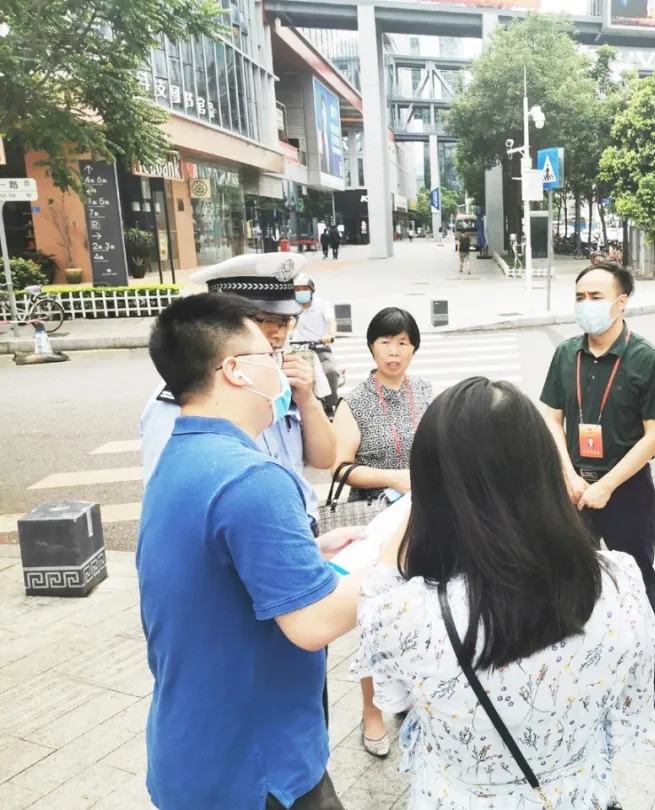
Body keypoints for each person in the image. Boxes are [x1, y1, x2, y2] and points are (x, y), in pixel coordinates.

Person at [355, 377, 655, 809]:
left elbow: (391, 678)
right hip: (580, 795)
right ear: (544, 467)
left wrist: (416, 506)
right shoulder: (619, 582)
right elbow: (628, 704)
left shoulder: (406, 615)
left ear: (433, 489)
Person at [137, 293, 371, 810]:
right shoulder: (252, 477)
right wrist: (394, 555)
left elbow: (213, 571)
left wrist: (309, 551)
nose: (280, 368)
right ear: (236, 371)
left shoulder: (182, 452)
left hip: (195, 750)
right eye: (269, 356)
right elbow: (313, 623)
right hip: (257, 769)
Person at [540, 261, 655, 727]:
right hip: (572, 488)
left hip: (626, 493)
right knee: (567, 582)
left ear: (622, 302)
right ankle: (573, 677)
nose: (586, 305)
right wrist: (571, 477)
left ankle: (648, 685)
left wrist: (606, 485)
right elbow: (551, 419)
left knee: (637, 588)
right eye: (580, 297)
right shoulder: (566, 354)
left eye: (596, 297)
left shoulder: (648, 359)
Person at [139, 253, 336, 535]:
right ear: (224, 326)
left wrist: (307, 399)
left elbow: (325, 459)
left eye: (285, 321)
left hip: (300, 529)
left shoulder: (283, 377)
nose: (279, 334)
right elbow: (172, 505)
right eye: (266, 320)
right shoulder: (187, 397)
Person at [333, 306, 433, 757]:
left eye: (403, 343)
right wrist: (395, 477)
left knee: (419, 615)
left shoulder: (425, 392)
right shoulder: (354, 401)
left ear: (414, 347)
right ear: (372, 347)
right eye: (385, 342)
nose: (394, 352)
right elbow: (340, 467)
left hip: (422, 519)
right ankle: (371, 713)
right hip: (376, 522)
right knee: (374, 619)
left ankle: (409, 699)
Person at [292, 273, 340, 413]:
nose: (301, 291)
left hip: (320, 348)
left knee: (330, 370)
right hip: (298, 350)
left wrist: (330, 335)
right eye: (297, 289)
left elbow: (331, 321)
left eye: (304, 288)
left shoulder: (322, 305)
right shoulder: (290, 308)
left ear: (311, 290)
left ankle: (330, 405)